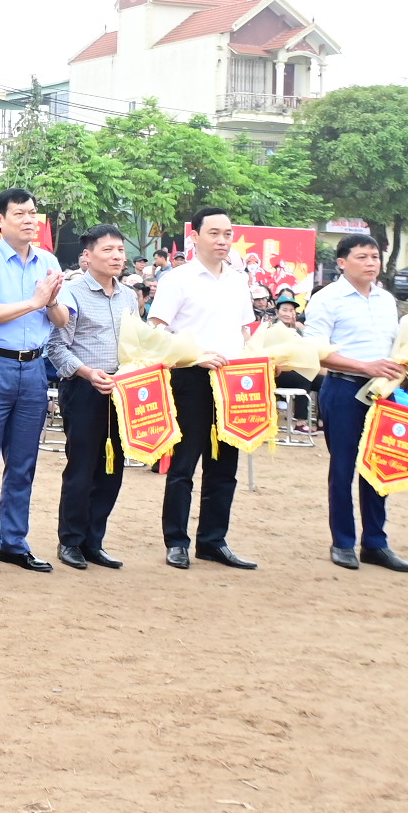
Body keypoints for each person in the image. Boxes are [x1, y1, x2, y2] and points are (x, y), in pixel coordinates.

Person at [0, 188, 67, 575]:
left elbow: (62, 321)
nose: (29, 220)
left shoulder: (48, 261)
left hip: (34, 369)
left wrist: (51, 301)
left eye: (33, 213)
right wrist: (35, 302)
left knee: (23, 462)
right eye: (20, 213)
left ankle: (14, 542)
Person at [148, 208, 258, 571]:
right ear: (195, 236)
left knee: (225, 465)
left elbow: (245, 330)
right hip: (191, 377)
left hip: (233, 381)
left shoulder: (239, 280)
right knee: (184, 464)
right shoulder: (178, 278)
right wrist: (196, 356)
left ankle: (213, 541)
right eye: (214, 233)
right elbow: (158, 328)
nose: (222, 240)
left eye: (227, 234)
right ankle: (176, 541)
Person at [303, 233, 408, 573]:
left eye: (374, 257)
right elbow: (316, 351)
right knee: (343, 467)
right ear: (341, 262)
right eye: (362, 257)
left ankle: (376, 543)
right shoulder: (327, 299)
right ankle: (343, 542)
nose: (371, 263)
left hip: (385, 391)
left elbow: (394, 345)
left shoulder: (385, 299)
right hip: (343, 389)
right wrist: (364, 366)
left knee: (380, 464)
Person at [45, 224, 139, 570]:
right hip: (84, 389)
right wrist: (87, 372)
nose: (117, 257)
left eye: (120, 250)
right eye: (108, 250)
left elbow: (136, 341)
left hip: (122, 391)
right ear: (88, 256)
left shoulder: (129, 295)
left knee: (112, 469)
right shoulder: (72, 293)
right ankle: (69, 541)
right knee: (82, 468)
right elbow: (56, 346)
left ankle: (93, 541)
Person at [267, 297, 316, 430]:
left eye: (292, 310)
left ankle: (323, 422)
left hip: (297, 368)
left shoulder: (298, 331)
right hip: (277, 372)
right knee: (304, 380)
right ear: (277, 312)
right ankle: (300, 422)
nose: (288, 313)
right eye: (284, 310)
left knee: (323, 381)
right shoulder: (270, 329)